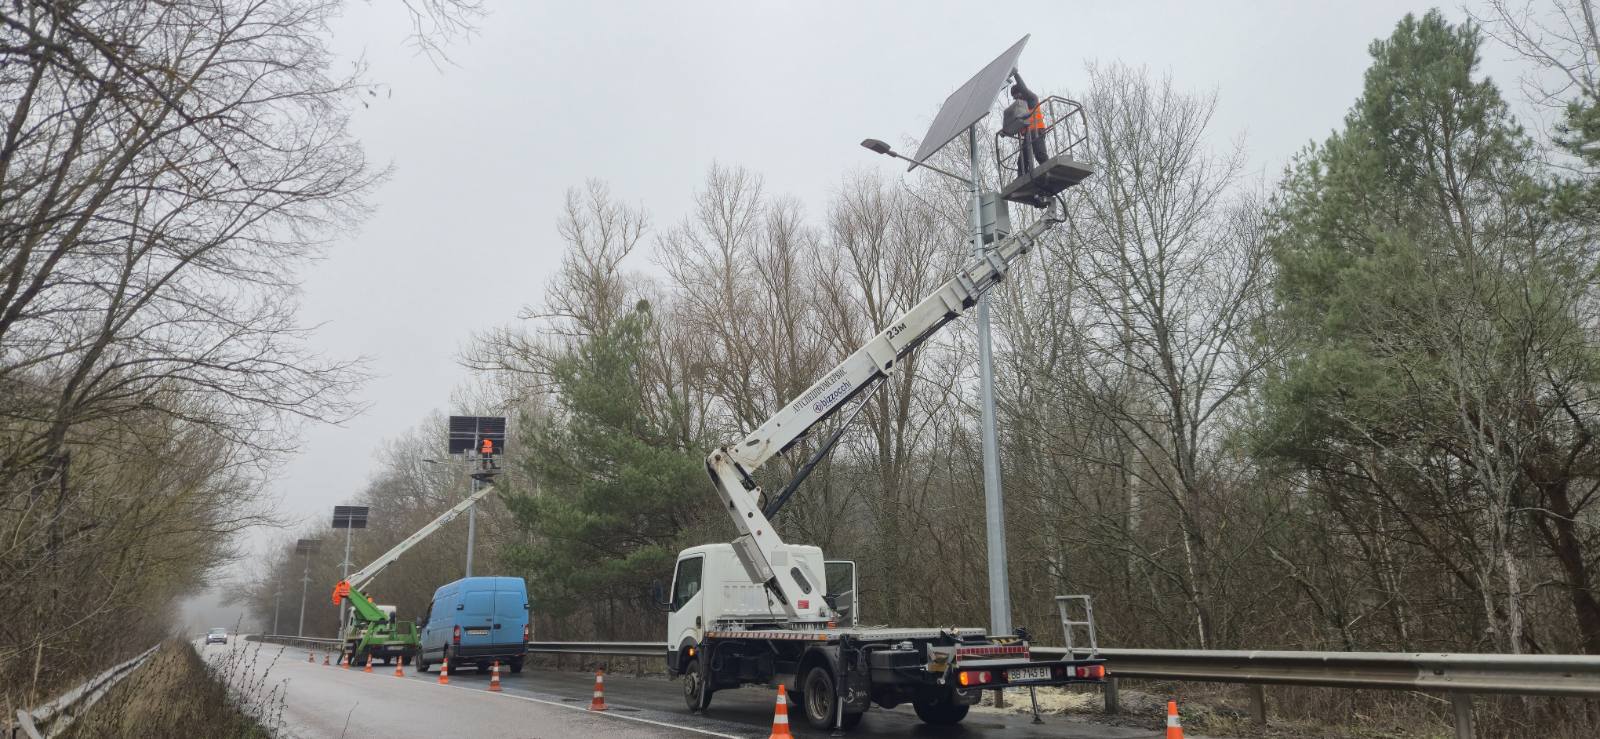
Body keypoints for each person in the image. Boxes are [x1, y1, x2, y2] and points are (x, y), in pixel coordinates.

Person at [1003, 70, 1048, 178]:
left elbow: (1023, 88)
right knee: (1022, 161)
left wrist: (1016, 75)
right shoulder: (1020, 109)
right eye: (1014, 97)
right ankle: (1022, 177)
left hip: (1036, 131)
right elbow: (1015, 124)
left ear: (1022, 93)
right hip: (1028, 135)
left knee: (1040, 154)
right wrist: (1005, 131)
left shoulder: (1032, 99)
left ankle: (1047, 171)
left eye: (1016, 96)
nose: (1016, 99)